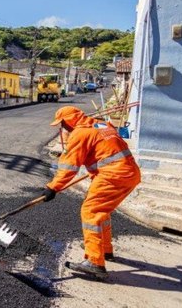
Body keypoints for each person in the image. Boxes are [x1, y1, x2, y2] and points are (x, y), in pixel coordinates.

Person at [41, 106, 140, 280]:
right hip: (130, 173)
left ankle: (95, 262)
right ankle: (104, 250)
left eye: (63, 124)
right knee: (102, 212)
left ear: (69, 121)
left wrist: (53, 187)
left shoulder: (80, 134)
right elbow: (106, 151)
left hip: (113, 176)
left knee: (91, 211)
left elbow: (68, 167)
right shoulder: (102, 125)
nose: (63, 128)